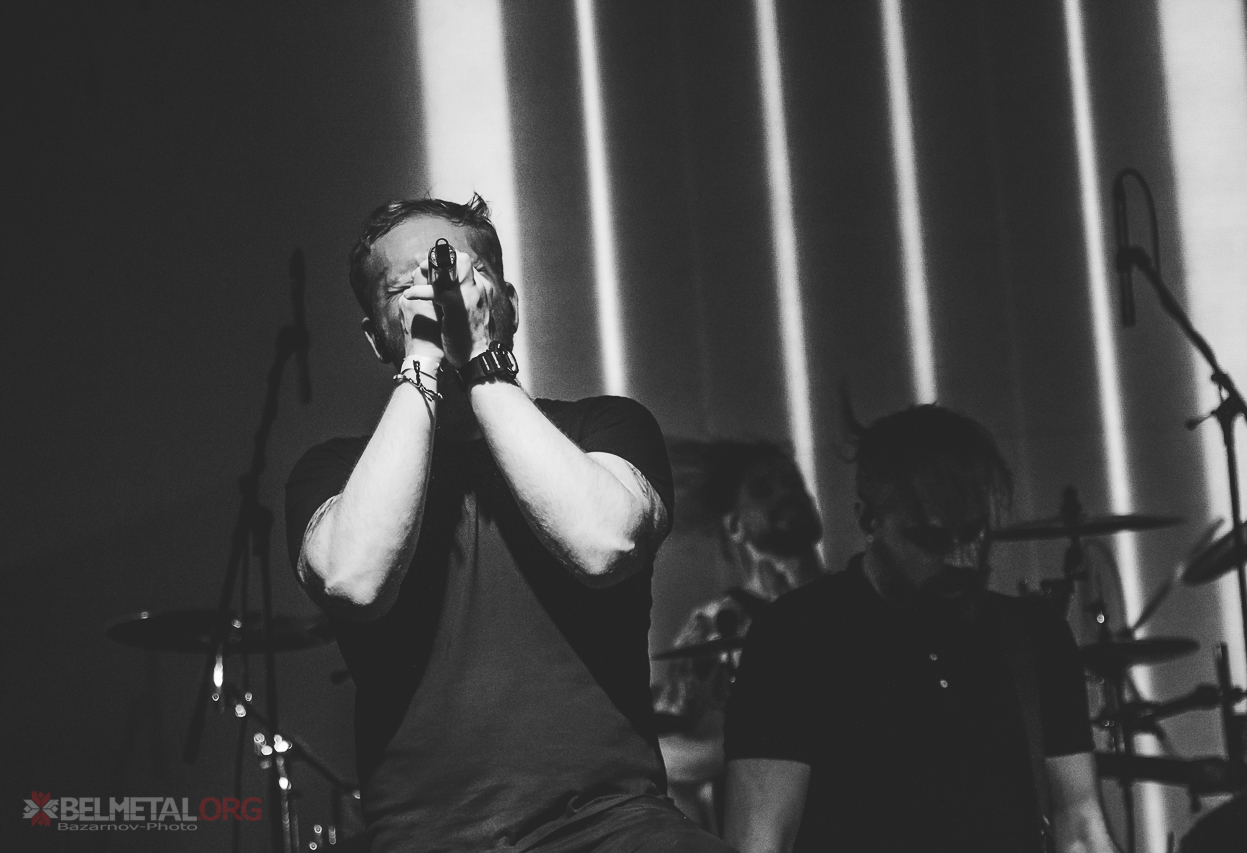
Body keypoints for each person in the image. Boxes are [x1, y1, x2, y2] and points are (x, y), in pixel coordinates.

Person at [284, 195, 732, 853]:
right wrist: (424, 362)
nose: (438, 296)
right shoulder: (334, 470)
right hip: (419, 838)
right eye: (404, 290)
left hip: (615, 825)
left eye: (462, 276)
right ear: (376, 335)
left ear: (510, 304)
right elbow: (355, 579)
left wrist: (482, 362)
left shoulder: (603, 427)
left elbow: (605, 544)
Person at [722, 405, 1118, 853]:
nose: (962, 558)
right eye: (931, 538)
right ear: (869, 520)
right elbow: (759, 841)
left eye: (974, 532)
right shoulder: (796, 638)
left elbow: (1080, 825)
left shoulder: (1034, 637)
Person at [653, 441, 824, 831]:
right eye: (764, 490)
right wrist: (750, 749)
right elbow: (663, 754)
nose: (786, 494)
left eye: (793, 483)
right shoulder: (715, 624)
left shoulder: (856, 602)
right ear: (734, 525)